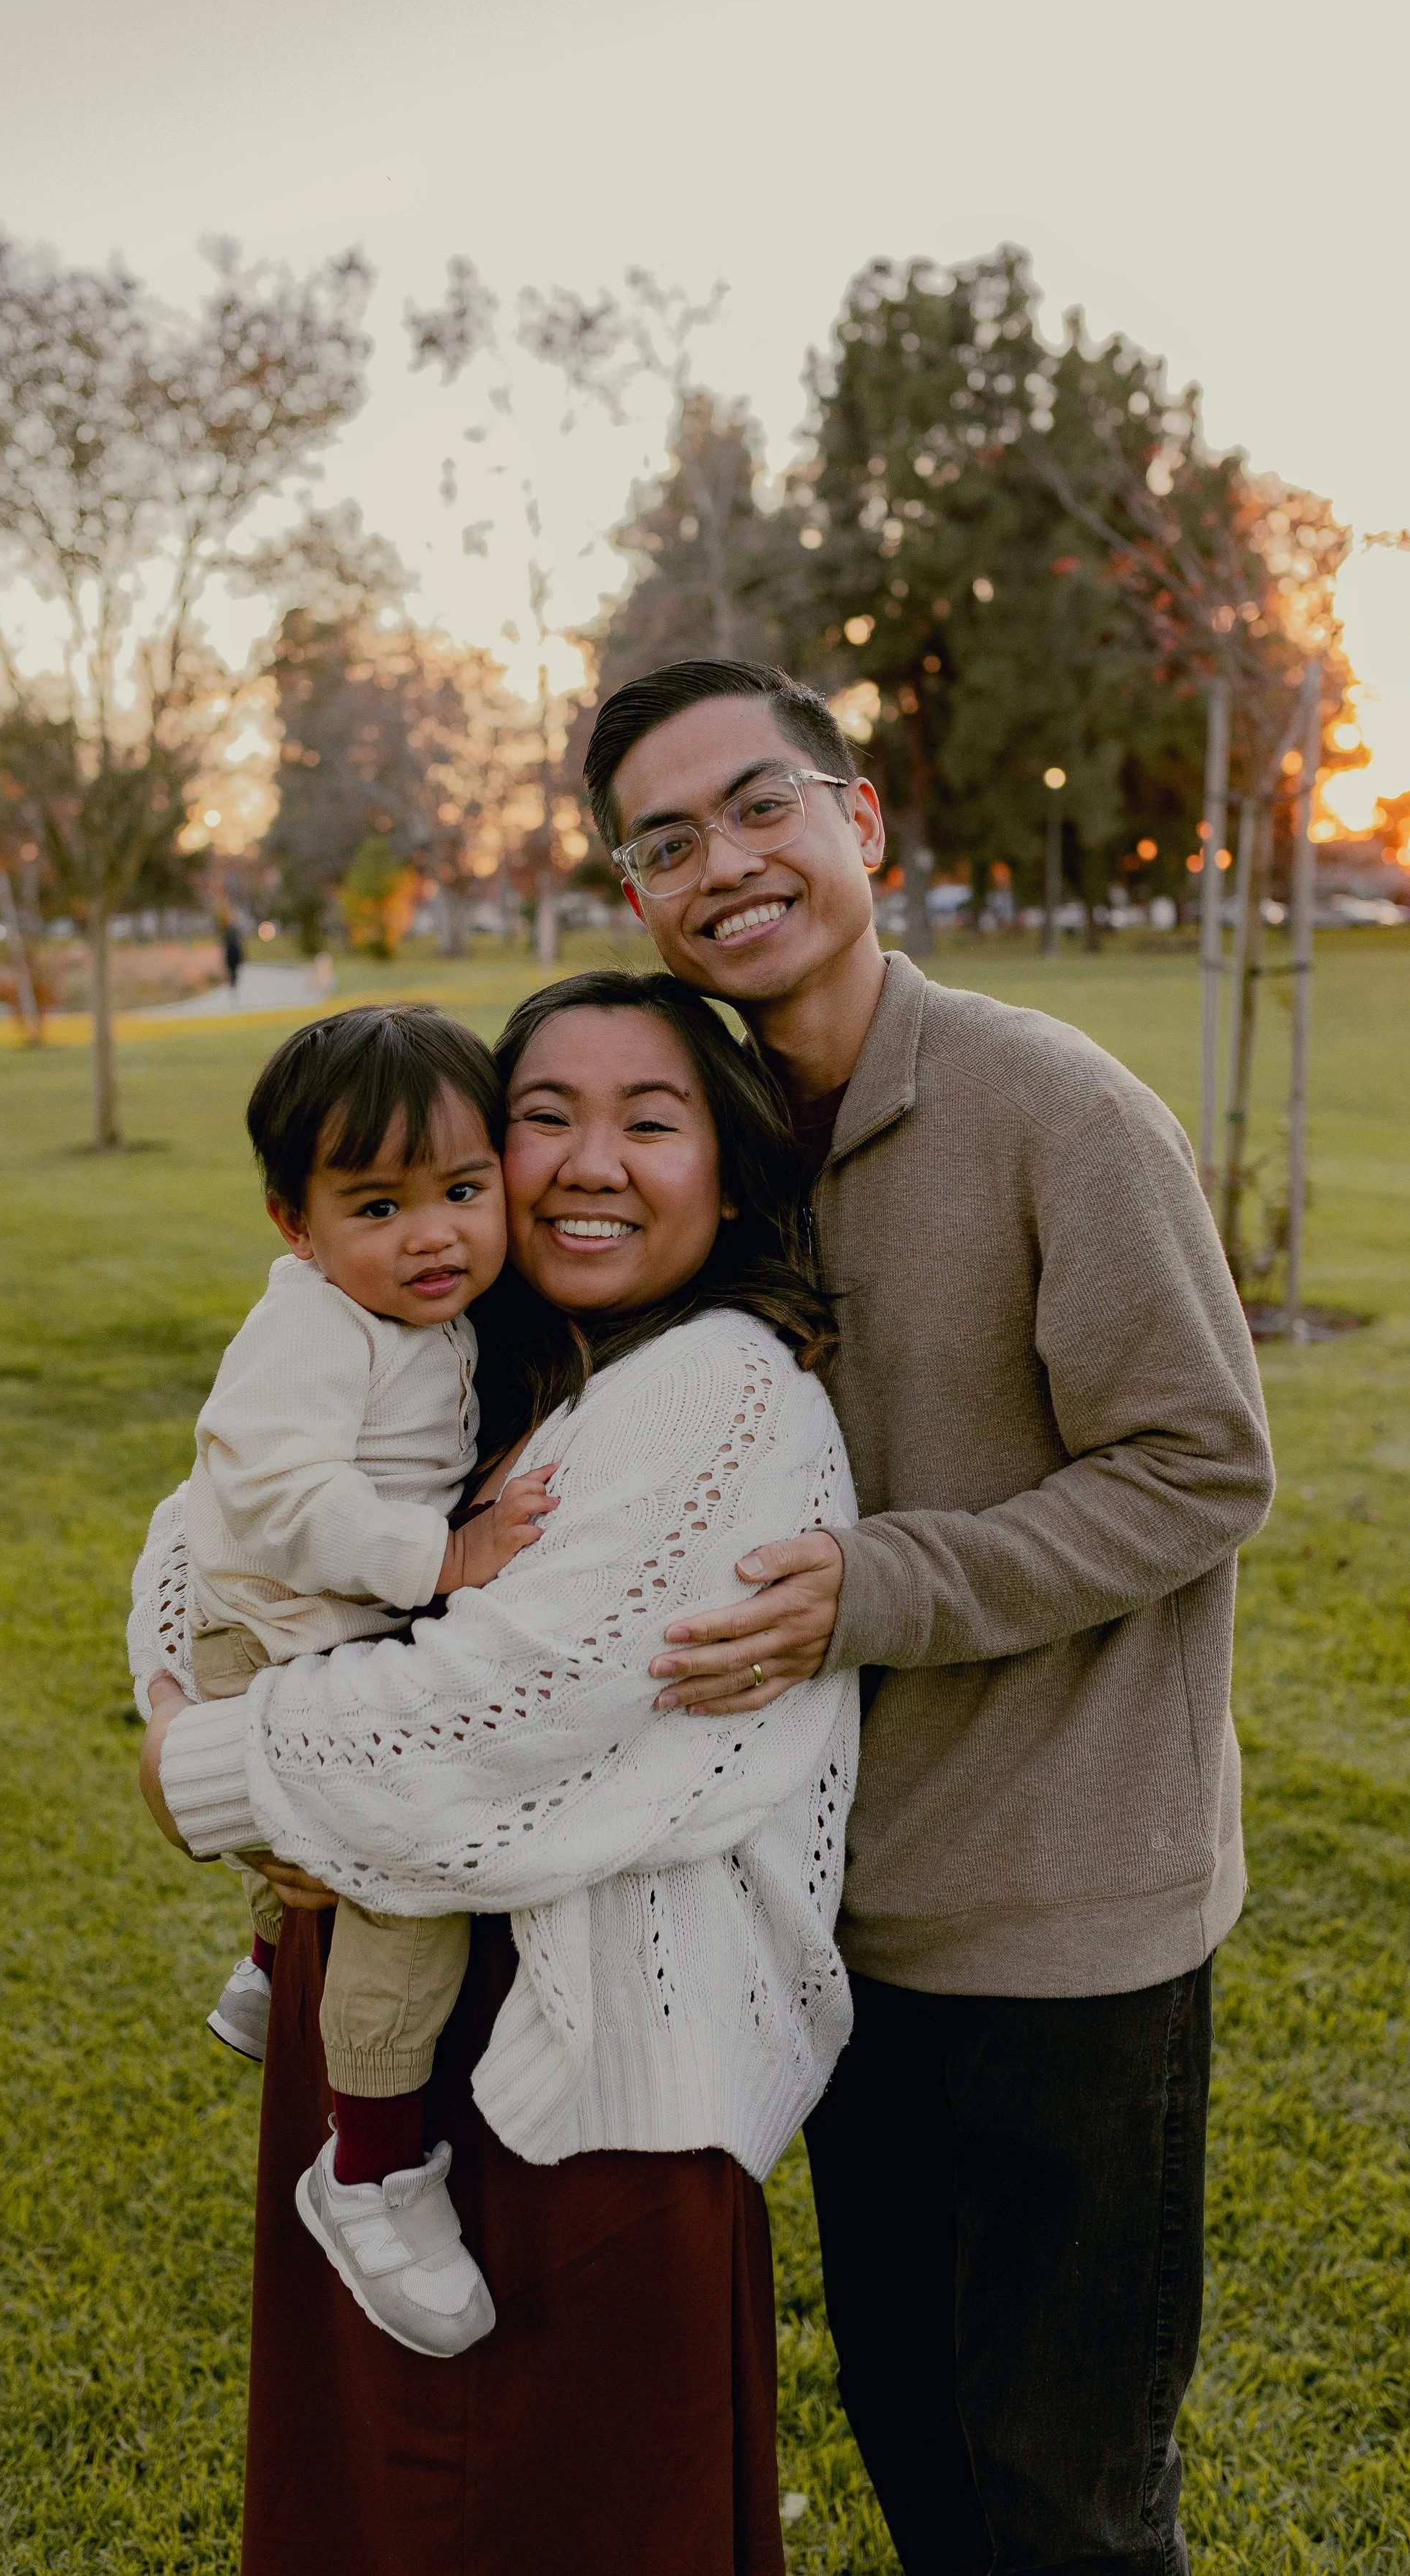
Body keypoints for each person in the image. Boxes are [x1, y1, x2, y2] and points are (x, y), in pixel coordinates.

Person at [582, 659, 1277, 2576]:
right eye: (664, 842)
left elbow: (1201, 1465)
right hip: (822, 1918)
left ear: (859, 819)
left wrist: (876, 1588)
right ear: (635, 898)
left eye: (756, 804)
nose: (720, 863)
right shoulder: (704, 1152)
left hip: (1065, 1922)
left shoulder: (1056, 1107)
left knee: (1057, 2495)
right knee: (913, 2444)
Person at [134, 969, 859, 2576]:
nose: (588, 1162)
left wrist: (204, 1760)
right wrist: (184, 1693)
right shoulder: (485, 1354)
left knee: (556, 2510)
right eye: (545, 1119)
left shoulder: (715, 1385)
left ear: (727, 1173)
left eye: (648, 1121)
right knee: (391, 2504)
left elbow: (502, 1704)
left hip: (591, 2082)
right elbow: (204, 1523)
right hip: (405, 2021)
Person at [164, 1006, 558, 2355]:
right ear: (297, 1225)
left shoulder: (416, 1310)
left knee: (345, 1857)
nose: (434, 1234)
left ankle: (269, 1969)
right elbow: (272, 1493)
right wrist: (442, 1554)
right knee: (409, 1878)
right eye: (378, 1205)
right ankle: (372, 2164)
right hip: (277, 1634)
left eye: (461, 1191)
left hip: (311, 1630)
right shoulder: (315, 1331)